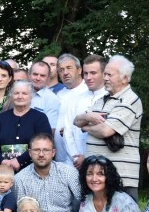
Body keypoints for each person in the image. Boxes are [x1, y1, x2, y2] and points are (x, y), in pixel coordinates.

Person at [74, 55, 143, 199]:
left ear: (125, 78)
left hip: (121, 176)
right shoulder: (101, 100)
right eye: (104, 74)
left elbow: (106, 131)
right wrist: (89, 117)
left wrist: (86, 127)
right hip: (96, 175)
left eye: (109, 74)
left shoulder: (130, 100)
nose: (105, 78)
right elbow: (77, 121)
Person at [14, 133, 82, 212]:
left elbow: (82, 199)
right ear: (29, 153)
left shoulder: (68, 172)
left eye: (46, 150)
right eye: (36, 150)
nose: (41, 154)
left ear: (53, 152)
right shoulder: (20, 179)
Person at [0, 81, 51, 172]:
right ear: (11, 96)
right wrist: (2, 161)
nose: (20, 96)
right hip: (3, 170)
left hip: (32, 169)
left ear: (31, 96)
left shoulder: (40, 118)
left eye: (24, 93)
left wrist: (19, 160)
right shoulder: (0, 118)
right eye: (16, 93)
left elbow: (45, 143)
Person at [63, 54, 108, 168]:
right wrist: (75, 156)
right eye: (86, 73)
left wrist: (87, 157)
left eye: (93, 73)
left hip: (102, 162)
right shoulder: (75, 99)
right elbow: (68, 130)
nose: (88, 77)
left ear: (104, 74)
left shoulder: (110, 98)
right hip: (74, 162)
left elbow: (105, 132)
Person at [53, 54, 86, 164]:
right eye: (61, 70)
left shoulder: (89, 91)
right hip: (60, 159)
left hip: (81, 158)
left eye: (69, 68)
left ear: (79, 70)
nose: (65, 73)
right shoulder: (59, 96)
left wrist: (86, 155)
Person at [28, 61, 60, 130]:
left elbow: (51, 130)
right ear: (29, 75)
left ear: (48, 78)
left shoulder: (52, 99)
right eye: (35, 74)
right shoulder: (18, 93)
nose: (38, 78)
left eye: (42, 76)